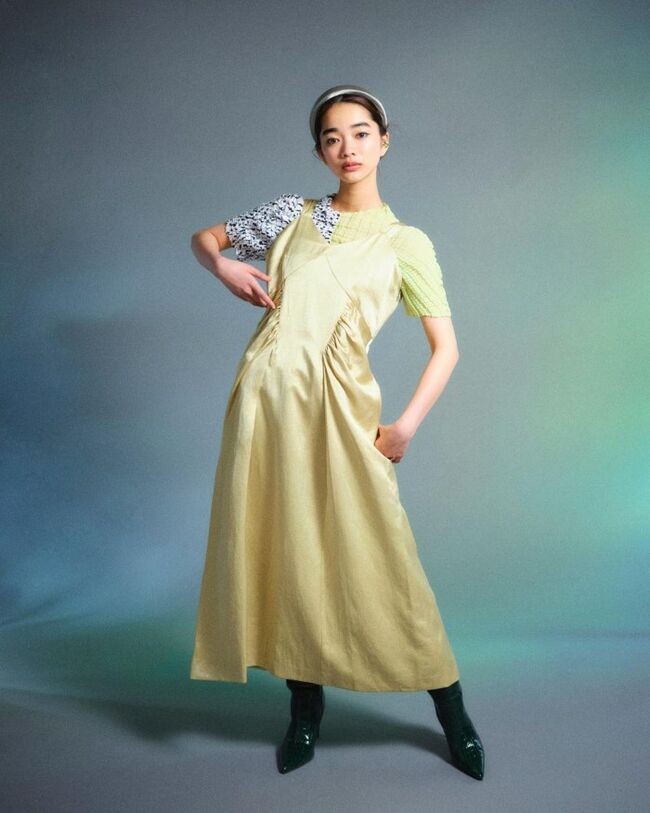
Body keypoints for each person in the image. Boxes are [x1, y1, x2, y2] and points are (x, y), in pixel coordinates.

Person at [188, 84, 485, 780]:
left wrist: (404, 427)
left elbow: (447, 348)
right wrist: (223, 264)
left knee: (381, 553)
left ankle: (452, 712)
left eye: (359, 133)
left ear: (384, 141)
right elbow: (205, 239)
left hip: (343, 409)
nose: (346, 147)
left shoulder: (406, 242)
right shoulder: (291, 214)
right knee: (287, 547)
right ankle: (304, 709)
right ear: (320, 151)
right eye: (331, 137)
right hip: (266, 406)